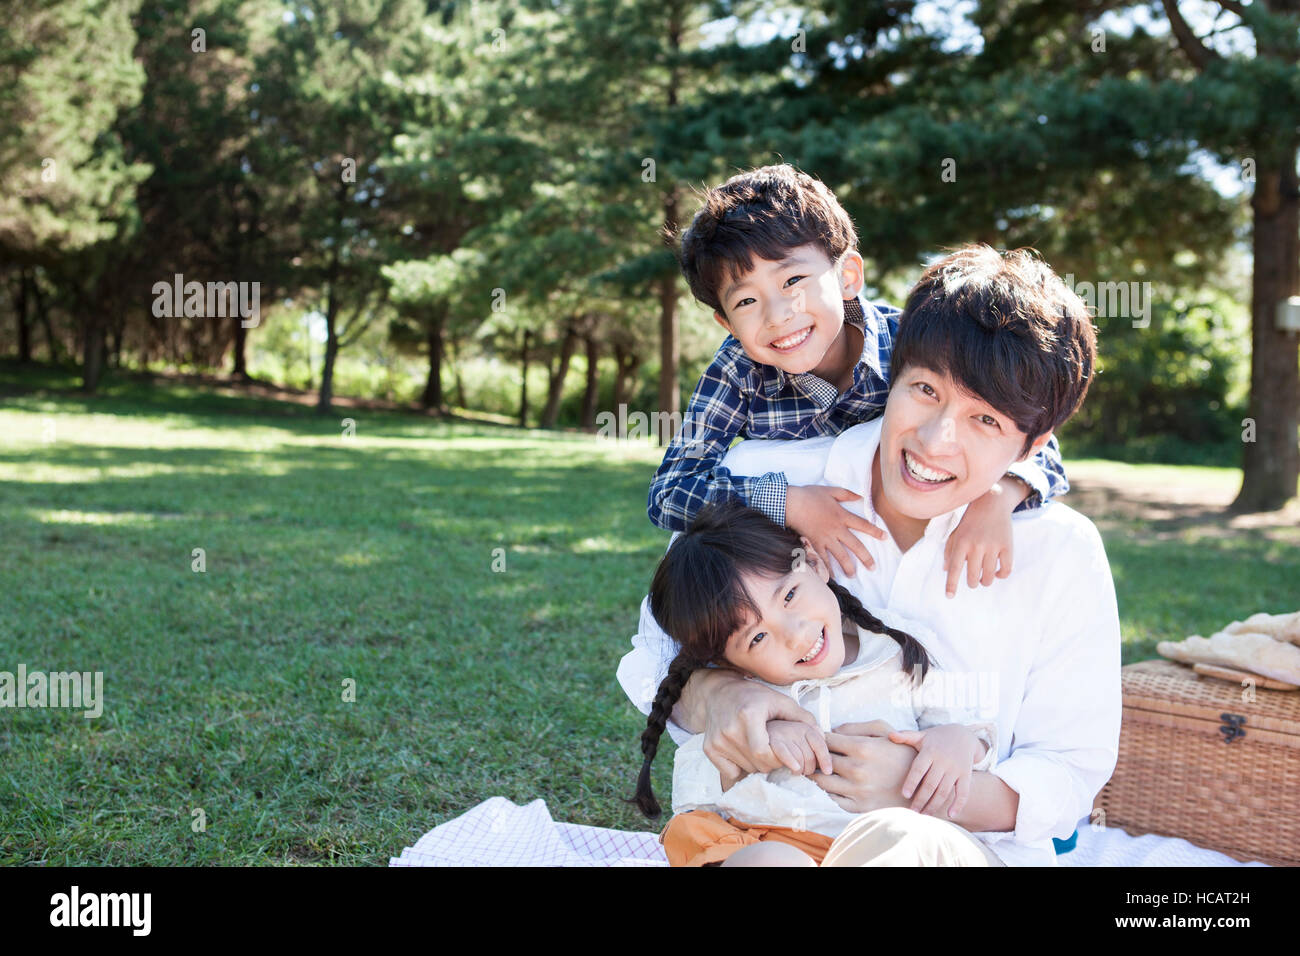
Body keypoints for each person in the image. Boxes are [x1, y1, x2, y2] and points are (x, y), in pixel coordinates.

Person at [618, 243, 1122, 866]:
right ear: (893, 376)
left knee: (910, 847)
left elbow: (1069, 772)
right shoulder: (767, 488)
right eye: (925, 391)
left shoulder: (1060, 553)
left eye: (985, 421)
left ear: (1034, 443)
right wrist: (720, 694)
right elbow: (655, 657)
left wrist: (920, 792)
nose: (936, 442)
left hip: (953, 848)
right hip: (777, 838)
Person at [647, 164, 1070, 597]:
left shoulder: (910, 342)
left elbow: (1027, 430)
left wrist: (998, 496)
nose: (778, 315)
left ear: (848, 275)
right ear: (728, 324)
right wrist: (791, 503)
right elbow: (669, 492)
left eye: (793, 280)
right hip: (812, 578)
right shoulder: (736, 372)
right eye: (747, 300)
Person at [631, 498, 1004, 867]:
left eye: (790, 595)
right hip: (775, 839)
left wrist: (956, 741)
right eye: (757, 638)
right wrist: (761, 744)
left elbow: (971, 730)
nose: (795, 636)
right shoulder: (748, 700)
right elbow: (699, 800)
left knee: (912, 838)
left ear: (811, 560)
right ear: (728, 661)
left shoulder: (899, 654)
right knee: (768, 860)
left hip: (880, 844)